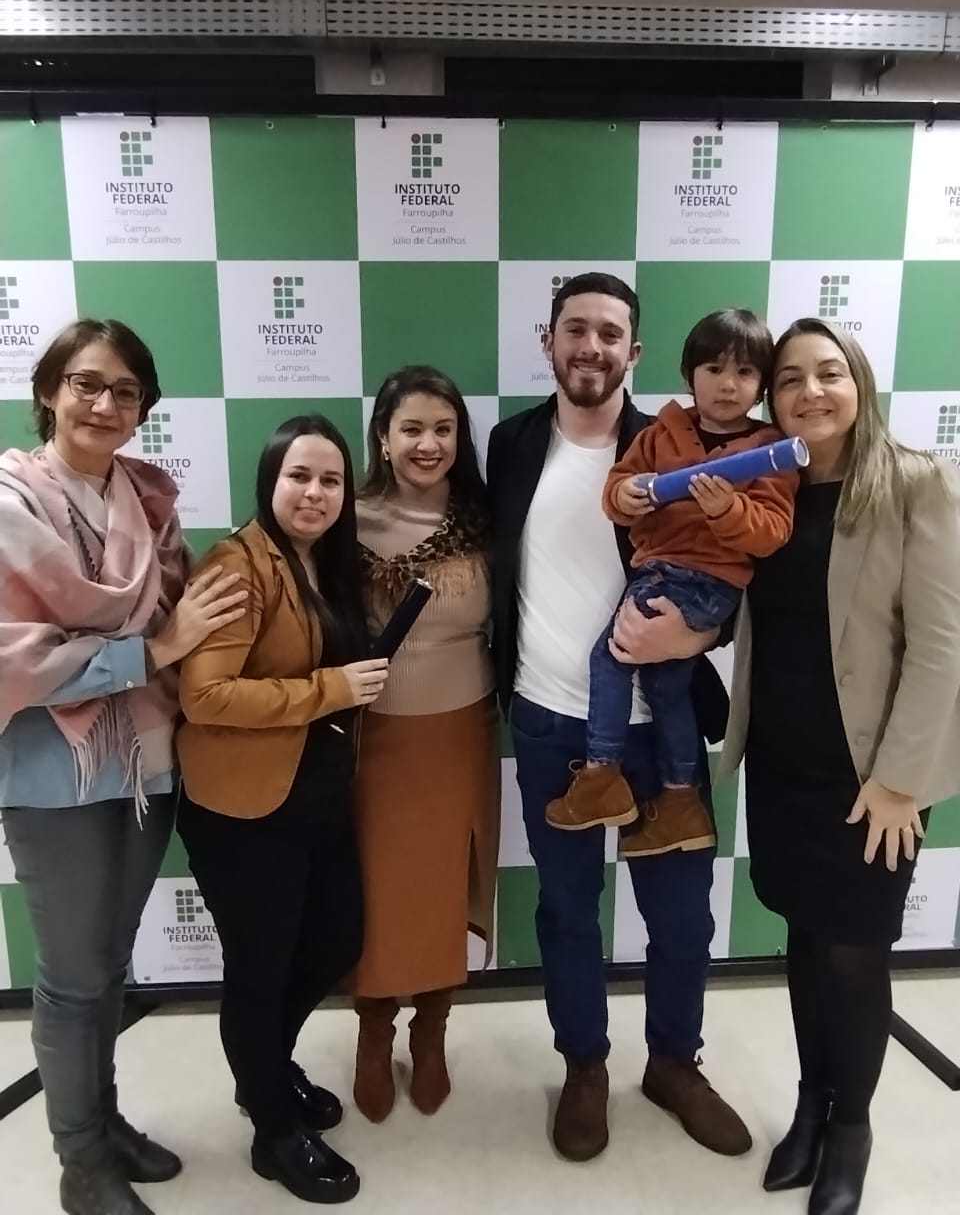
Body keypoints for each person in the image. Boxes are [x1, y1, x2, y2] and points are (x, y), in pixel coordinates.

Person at [487, 272, 751, 1164]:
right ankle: (585, 1067)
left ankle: (674, 1064)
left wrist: (703, 629)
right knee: (567, 911)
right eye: (575, 329)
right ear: (549, 341)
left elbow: (740, 563)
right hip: (548, 722)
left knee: (681, 920)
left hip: (660, 725)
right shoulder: (511, 444)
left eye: (609, 333)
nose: (591, 346)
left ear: (634, 352)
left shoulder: (674, 443)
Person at [0, 319, 246, 1215]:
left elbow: (182, 614)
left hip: (144, 757)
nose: (105, 404)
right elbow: (13, 659)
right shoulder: (10, 503)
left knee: (108, 963)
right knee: (71, 974)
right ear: (49, 390)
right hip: (48, 768)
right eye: (86, 383)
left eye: (126, 391)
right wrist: (148, 651)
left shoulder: (147, 499)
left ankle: (102, 1122)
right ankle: (80, 1162)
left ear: (144, 409)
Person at [717, 318, 960, 1215]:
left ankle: (851, 1130)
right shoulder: (768, 484)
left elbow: (942, 647)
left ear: (859, 382)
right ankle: (811, 1107)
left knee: (854, 954)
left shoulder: (918, 482)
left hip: (872, 781)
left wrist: (900, 782)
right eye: (789, 379)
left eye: (829, 373)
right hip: (783, 763)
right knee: (807, 940)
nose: (809, 392)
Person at [177, 414, 389, 1206]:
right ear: (270, 479)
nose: (315, 492)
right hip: (244, 811)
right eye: (300, 475)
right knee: (260, 973)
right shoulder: (237, 566)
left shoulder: (325, 563)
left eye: (331, 479)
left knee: (334, 941)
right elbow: (204, 696)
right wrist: (329, 690)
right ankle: (272, 1129)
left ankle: (263, 1067)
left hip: (317, 798)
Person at [546, 309, 796, 859]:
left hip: (706, 582)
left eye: (745, 372)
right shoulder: (661, 432)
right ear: (689, 374)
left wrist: (728, 511)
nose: (728, 384)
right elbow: (617, 487)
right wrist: (626, 496)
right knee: (665, 685)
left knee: (610, 657)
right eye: (714, 369)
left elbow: (772, 533)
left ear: (763, 384)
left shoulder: (770, 450)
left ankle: (601, 773)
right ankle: (682, 801)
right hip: (658, 570)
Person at [350, 365, 498, 1124]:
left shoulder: (487, 517)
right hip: (371, 738)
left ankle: (432, 1029)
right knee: (375, 892)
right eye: (411, 428)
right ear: (382, 436)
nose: (428, 443)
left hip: (461, 730)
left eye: (444, 429)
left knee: (446, 886)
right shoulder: (341, 516)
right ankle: (374, 1030)